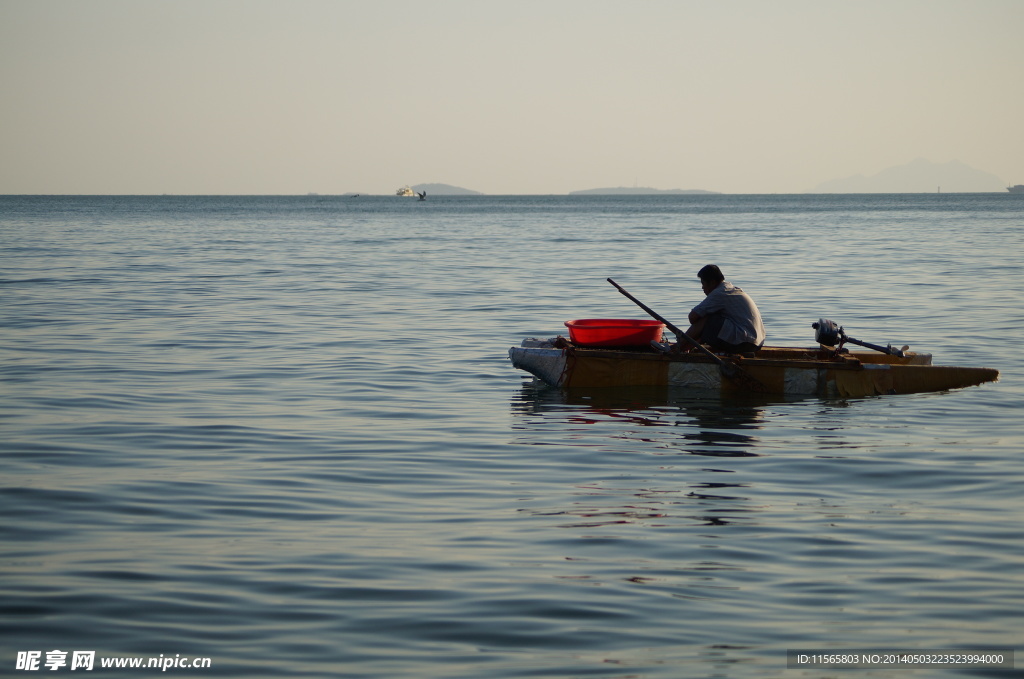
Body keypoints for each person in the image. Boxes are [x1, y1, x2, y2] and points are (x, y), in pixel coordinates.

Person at [685, 264, 766, 354]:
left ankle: (680, 344)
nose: (702, 288)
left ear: (712, 282)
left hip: (746, 342)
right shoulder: (729, 289)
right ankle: (687, 345)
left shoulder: (719, 293)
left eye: (703, 284)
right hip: (756, 342)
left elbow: (692, 317)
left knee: (707, 318)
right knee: (710, 318)